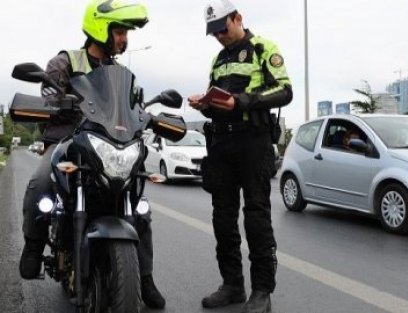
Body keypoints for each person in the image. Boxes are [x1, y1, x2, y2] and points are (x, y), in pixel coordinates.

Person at [19, 0, 166, 309]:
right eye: (120, 31)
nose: (124, 39)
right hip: (66, 142)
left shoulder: (121, 73)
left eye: (126, 32)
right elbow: (47, 96)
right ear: (101, 29)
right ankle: (33, 247)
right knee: (40, 182)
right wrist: (56, 100)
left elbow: (132, 108)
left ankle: (145, 277)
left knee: (140, 206)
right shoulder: (65, 62)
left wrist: (148, 116)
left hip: (108, 146)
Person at [188, 1, 293, 312]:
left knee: (257, 217)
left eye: (223, 28)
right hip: (221, 143)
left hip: (253, 143)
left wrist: (241, 102)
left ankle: (262, 291)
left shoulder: (263, 48)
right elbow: (215, 97)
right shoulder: (218, 59)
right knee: (222, 217)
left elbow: (285, 91)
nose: (219, 35)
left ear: (238, 18)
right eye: (214, 32)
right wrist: (203, 103)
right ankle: (232, 284)